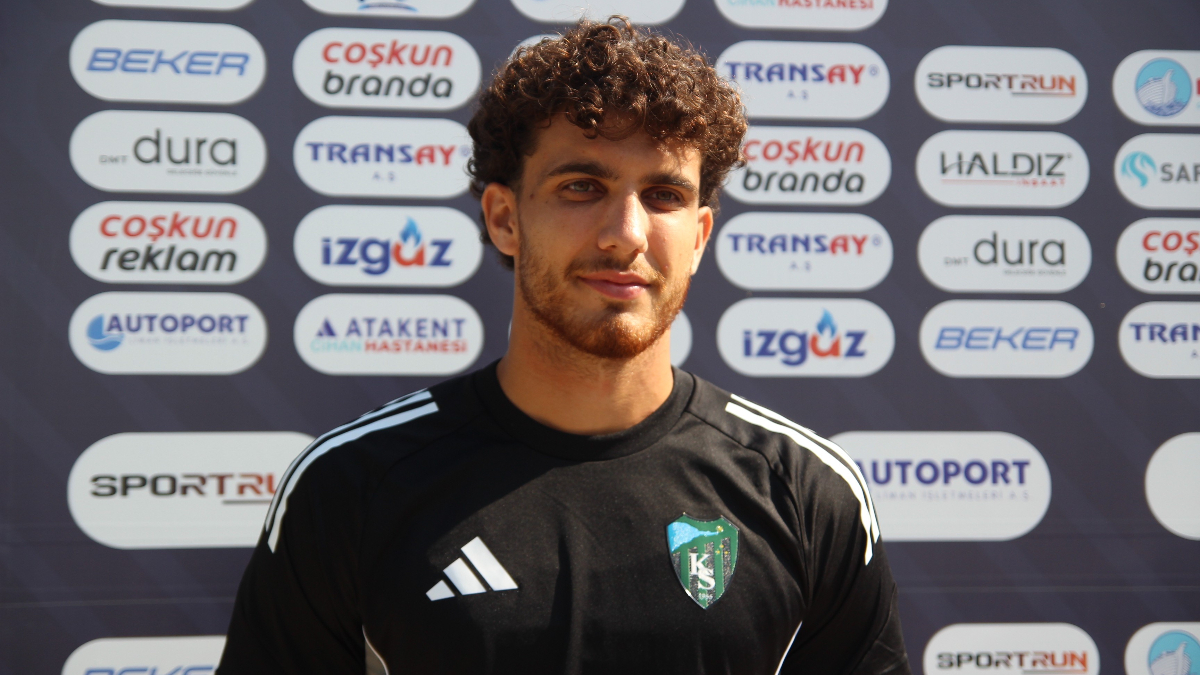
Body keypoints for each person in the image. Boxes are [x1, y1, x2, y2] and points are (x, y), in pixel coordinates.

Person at [218, 18, 909, 675]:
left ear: (699, 236)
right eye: (583, 186)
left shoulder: (805, 491)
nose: (625, 234)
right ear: (504, 218)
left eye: (663, 195)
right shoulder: (352, 487)